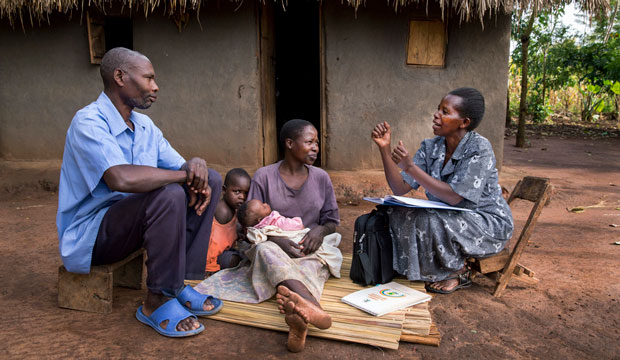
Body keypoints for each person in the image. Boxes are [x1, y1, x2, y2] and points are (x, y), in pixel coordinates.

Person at [56, 47, 222, 338]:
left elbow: (181, 167)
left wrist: (194, 165)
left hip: (133, 222)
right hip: (93, 236)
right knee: (169, 194)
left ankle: (178, 283)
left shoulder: (144, 125)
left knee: (212, 179)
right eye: (148, 78)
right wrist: (184, 175)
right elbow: (120, 178)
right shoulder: (89, 122)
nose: (155, 86)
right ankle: (155, 301)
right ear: (120, 77)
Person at [195, 119, 341, 352]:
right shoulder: (264, 176)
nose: (315, 147)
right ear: (290, 143)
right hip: (272, 248)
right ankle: (314, 308)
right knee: (264, 250)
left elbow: (332, 221)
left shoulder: (321, 178)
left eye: (317, 143)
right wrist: (276, 240)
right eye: (309, 142)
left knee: (311, 266)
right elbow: (248, 224)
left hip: (308, 249)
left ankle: (300, 316)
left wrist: (319, 231)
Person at [371, 87, 514, 294]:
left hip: (486, 223)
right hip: (450, 216)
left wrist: (411, 167)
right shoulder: (431, 147)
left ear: (464, 122)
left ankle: (455, 270)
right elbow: (399, 188)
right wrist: (384, 148)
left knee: (430, 219)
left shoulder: (479, 148)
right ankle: (416, 269)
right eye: (438, 109)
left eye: (445, 112)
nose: (437, 115)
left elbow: (455, 197)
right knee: (396, 210)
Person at [205, 168, 251, 274]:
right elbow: (212, 242)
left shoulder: (233, 209)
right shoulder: (222, 210)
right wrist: (210, 267)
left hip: (222, 251)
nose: (242, 197)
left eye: (246, 193)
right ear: (224, 190)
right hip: (210, 258)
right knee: (236, 260)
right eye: (237, 192)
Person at [237, 199, 304, 230]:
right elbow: (296, 225)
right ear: (260, 219)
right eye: (263, 207)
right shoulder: (273, 221)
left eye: (263, 203)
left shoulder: (256, 230)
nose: (266, 204)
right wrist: (298, 221)